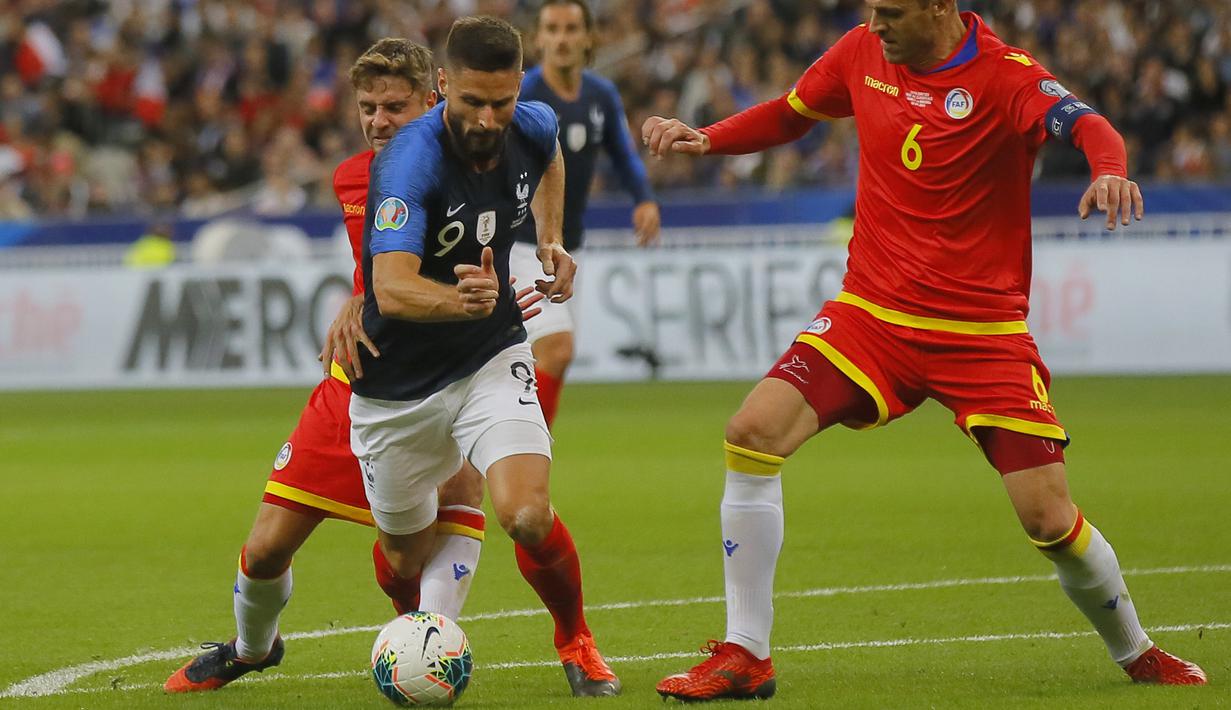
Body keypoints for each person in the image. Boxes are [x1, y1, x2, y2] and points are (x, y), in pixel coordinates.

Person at [642, 0, 1207, 701]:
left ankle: (1137, 651)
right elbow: (793, 111)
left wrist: (1110, 168)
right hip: (870, 316)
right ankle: (744, 654)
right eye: (873, 10)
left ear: (941, 6)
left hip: (980, 334)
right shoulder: (859, 52)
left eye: (893, 13)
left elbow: (1087, 125)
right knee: (751, 433)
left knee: (1047, 519)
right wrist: (711, 139)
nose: (876, 25)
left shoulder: (1006, 77)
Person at [163, 38, 524, 693]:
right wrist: (357, 297)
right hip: (360, 380)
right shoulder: (353, 177)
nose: (379, 120)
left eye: (394, 106)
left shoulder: (478, 162)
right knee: (267, 546)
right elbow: (387, 261)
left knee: (452, 503)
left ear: (432, 100)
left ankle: (432, 648)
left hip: (454, 373)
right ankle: (252, 648)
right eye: (368, 107)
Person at [349, 16, 619, 697]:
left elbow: (551, 152)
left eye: (501, 101)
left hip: (488, 356)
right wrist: (456, 301)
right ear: (443, 86)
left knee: (525, 514)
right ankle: (413, 628)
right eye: (472, 102)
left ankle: (576, 641)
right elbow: (392, 286)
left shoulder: (528, 122)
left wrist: (551, 240)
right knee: (402, 552)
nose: (489, 117)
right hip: (396, 384)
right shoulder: (408, 161)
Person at [513, 0, 660, 427]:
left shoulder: (601, 95)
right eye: (552, 29)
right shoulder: (525, 96)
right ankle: (528, 458)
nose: (561, 38)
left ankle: (508, 466)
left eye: (571, 29)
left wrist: (644, 198)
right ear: (538, 39)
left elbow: (623, 154)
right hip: (519, 244)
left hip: (567, 249)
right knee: (557, 349)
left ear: (588, 38)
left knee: (534, 361)